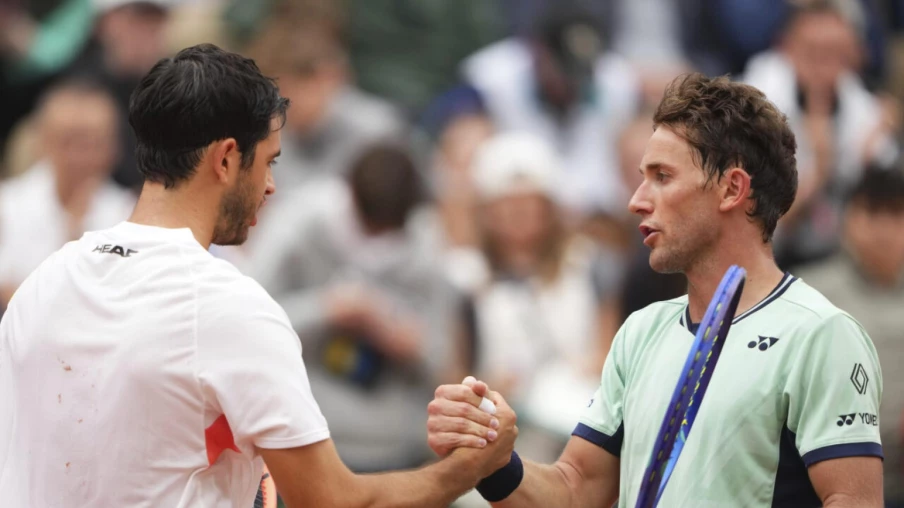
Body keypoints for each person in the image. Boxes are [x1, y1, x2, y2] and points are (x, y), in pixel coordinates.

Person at [0, 43, 516, 507]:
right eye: (268, 162)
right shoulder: (228, 306)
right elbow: (337, 502)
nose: (271, 186)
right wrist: (470, 469)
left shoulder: (42, 283)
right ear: (226, 159)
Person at [426, 73, 884, 507]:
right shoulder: (640, 332)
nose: (636, 200)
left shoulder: (822, 336)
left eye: (662, 177)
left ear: (731, 189)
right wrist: (492, 459)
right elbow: (574, 489)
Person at [797, 166, 904, 505]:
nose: (884, 229)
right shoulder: (808, 292)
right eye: (873, 213)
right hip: (823, 479)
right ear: (848, 219)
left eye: (896, 214)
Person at [0, 78, 135, 309]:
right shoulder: (7, 205)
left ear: (115, 148)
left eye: (93, 143)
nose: (79, 156)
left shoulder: (130, 214)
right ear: (41, 141)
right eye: (67, 141)